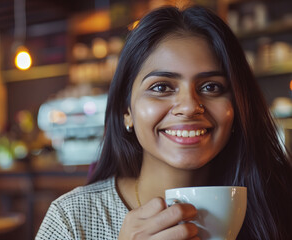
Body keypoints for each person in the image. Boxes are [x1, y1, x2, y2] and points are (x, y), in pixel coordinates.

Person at [36, 5, 292, 240]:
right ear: (127, 110)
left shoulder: (276, 205)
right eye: (161, 87)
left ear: (237, 106)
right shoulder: (72, 219)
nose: (190, 106)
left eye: (211, 87)